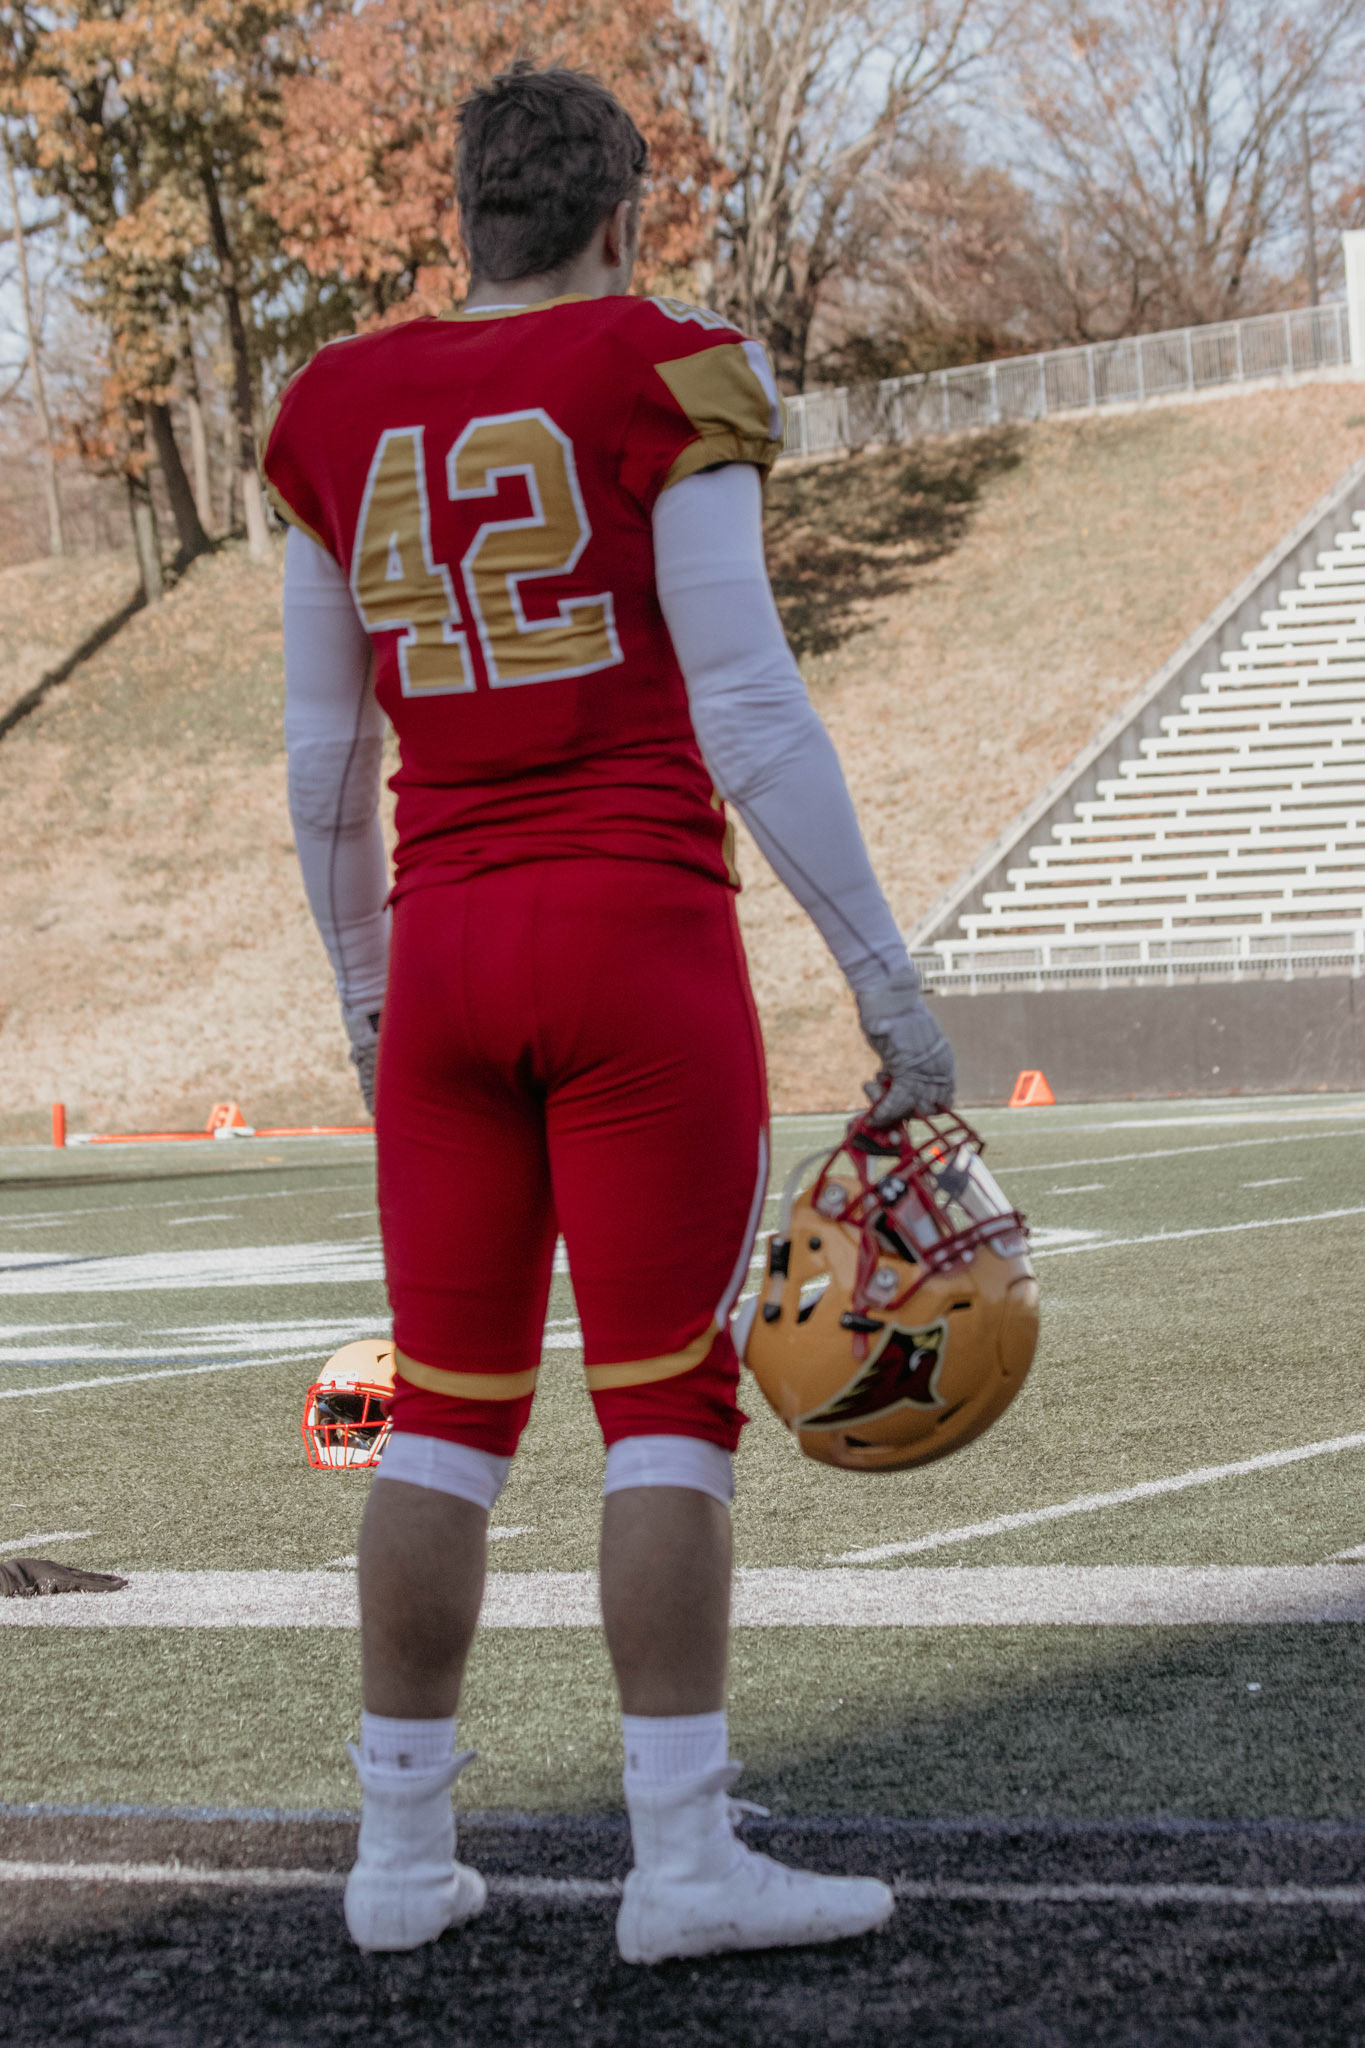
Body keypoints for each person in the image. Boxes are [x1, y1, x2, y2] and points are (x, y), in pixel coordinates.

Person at [264, 62, 954, 1966]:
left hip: (444, 949)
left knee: (440, 1418)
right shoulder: (665, 364)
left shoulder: (332, 405)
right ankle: (681, 1860)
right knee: (663, 1407)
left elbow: (325, 762)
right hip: (632, 939)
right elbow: (747, 706)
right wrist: (888, 987)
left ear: (461, 218)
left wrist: (366, 999)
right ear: (620, 218)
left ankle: (398, 1858)